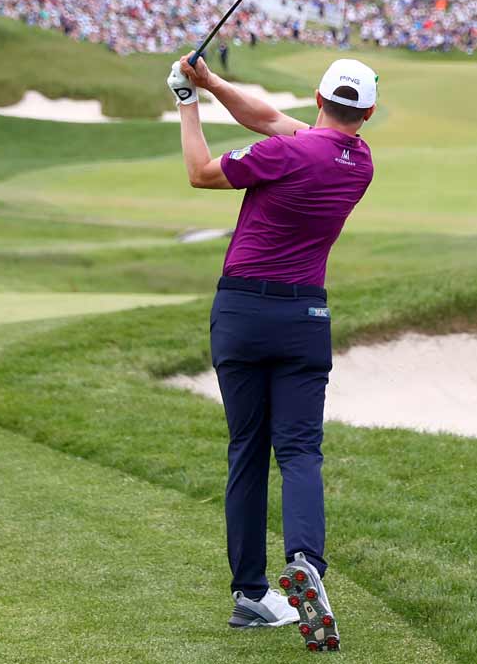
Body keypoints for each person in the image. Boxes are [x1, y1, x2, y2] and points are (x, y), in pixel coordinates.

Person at [168, 53, 378, 652]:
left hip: (240, 313)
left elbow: (202, 172)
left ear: (317, 97)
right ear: (366, 112)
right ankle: (306, 564)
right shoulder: (358, 162)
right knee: (301, 450)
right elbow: (267, 119)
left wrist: (187, 104)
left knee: (247, 450)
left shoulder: (289, 152)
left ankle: (251, 596)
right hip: (304, 317)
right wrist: (209, 82)